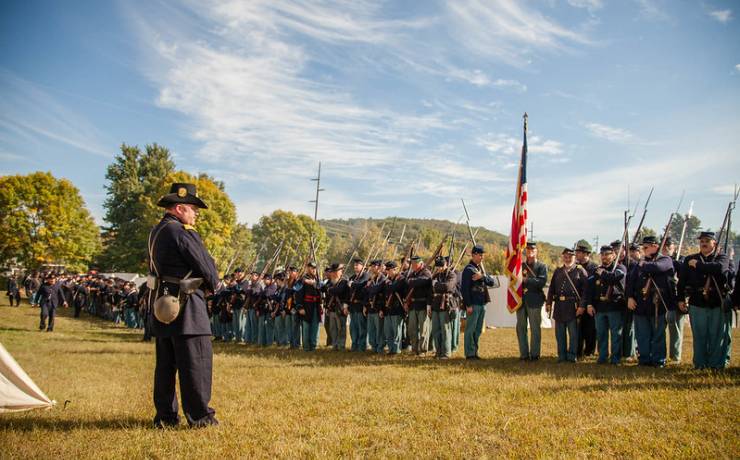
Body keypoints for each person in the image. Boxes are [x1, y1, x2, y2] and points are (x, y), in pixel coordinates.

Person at [149, 182, 219, 428]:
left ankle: (166, 417)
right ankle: (200, 417)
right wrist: (214, 282)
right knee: (195, 364)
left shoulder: (158, 231)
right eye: (193, 209)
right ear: (179, 208)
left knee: (166, 367)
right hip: (187, 304)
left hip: (164, 300)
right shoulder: (181, 231)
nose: (196, 214)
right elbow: (207, 267)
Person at [676, 232, 731, 369]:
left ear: (714, 243)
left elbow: (720, 269)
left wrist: (699, 265)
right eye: (701, 241)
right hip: (697, 301)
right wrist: (681, 299)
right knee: (699, 336)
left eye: (707, 240)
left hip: (716, 301)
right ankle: (700, 364)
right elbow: (682, 281)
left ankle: (715, 365)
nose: (704, 243)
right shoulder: (690, 259)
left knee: (716, 335)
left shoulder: (722, 258)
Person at [628, 236, 673, 367]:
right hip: (641, 304)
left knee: (658, 335)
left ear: (655, 246)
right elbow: (630, 281)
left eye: (645, 247)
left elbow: (658, 268)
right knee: (642, 335)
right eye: (643, 247)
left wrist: (644, 264)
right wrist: (630, 297)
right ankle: (644, 359)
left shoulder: (665, 259)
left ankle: (658, 360)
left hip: (657, 303)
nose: (643, 249)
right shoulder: (640, 263)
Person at [585, 245, 626, 365]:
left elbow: (615, 278)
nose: (604, 257)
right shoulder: (596, 270)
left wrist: (603, 273)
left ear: (613, 256)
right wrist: (589, 304)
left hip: (615, 306)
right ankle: (602, 357)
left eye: (607, 254)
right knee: (601, 334)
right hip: (600, 307)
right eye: (602, 254)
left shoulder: (620, 268)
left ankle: (615, 358)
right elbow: (589, 289)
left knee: (615, 334)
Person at [546, 248, 588, 363]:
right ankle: (561, 355)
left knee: (573, 334)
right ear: (562, 257)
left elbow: (585, 291)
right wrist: (549, 302)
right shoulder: (558, 271)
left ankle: (572, 356)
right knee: (560, 334)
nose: (567, 259)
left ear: (574, 258)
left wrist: (582, 306)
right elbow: (551, 289)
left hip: (573, 306)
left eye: (570, 257)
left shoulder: (580, 271)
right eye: (565, 257)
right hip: (559, 306)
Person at [461, 245, 495, 360]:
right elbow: (464, 289)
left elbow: (491, 282)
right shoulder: (468, 269)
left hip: (481, 303)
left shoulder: (480, 269)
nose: (482, 257)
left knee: (478, 329)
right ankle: (469, 353)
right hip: (473, 303)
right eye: (480, 255)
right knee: (470, 329)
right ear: (474, 255)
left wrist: (482, 276)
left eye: (482, 255)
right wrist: (468, 305)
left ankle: (474, 351)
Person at [517, 242, 548, 361]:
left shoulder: (541, 266)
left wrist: (527, 280)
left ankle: (535, 354)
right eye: (528, 249)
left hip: (534, 300)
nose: (530, 252)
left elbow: (541, 282)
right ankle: (524, 354)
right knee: (521, 328)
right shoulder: (520, 266)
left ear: (536, 252)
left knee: (535, 329)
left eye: (532, 250)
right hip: (520, 300)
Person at [405, 255, 433, 355]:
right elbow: (407, 283)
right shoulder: (413, 273)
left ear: (421, 263)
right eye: (412, 263)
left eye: (414, 263)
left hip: (423, 304)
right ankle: (414, 349)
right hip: (413, 304)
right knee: (412, 329)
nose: (412, 265)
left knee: (423, 330)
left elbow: (422, 282)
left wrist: (412, 281)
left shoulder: (426, 273)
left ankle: (423, 350)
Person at [574, 241, 598, 359]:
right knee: (578, 328)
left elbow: (593, 286)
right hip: (577, 302)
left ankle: (589, 351)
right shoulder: (575, 266)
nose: (576, 254)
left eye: (578, 252)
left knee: (590, 329)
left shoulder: (594, 267)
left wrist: (588, 304)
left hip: (590, 302)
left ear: (585, 253)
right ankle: (577, 350)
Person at [431, 256, 457, 359]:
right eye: (438, 266)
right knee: (436, 330)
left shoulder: (451, 274)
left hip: (445, 304)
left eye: (441, 266)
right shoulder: (436, 275)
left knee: (445, 329)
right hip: (436, 304)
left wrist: (436, 284)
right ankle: (438, 351)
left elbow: (447, 287)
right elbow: (431, 288)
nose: (439, 268)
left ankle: (446, 353)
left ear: (446, 265)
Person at [296, 262, 322, 351]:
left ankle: (313, 346)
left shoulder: (317, 279)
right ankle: (306, 347)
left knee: (315, 327)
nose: (314, 269)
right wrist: (300, 307)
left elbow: (322, 288)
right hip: (306, 307)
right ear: (307, 268)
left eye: (315, 268)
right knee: (306, 328)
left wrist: (316, 283)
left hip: (316, 307)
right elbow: (298, 294)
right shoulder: (302, 280)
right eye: (311, 268)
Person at [382, 261, 406, 355]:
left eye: (389, 269)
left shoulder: (401, 279)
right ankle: (391, 349)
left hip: (397, 309)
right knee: (388, 331)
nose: (387, 271)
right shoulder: (388, 280)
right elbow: (386, 291)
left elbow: (394, 288)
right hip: (388, 309)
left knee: (397, 332)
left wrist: (391, 285)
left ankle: (396, 350)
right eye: (387, 270)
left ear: (395, 269)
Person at [325, 263, 350, 350]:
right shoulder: (330, 282)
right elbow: (326, 290)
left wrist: (331, 290)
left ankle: (341, 345)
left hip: (340, 308)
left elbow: (339, 291)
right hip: (332, 308)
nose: (334, 273)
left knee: (341, 328)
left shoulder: (344, 282)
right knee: (333, 329)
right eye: (333, 271)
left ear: (340, 272)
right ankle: (335, 345)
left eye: (336, 271)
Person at [348, 259, 370, 352]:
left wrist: (352, 284)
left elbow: (361, 285)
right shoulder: (352, 277)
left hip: (361, 305)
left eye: (357, 265)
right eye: (355, 265)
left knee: (362, 328)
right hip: (353, 306)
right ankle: (354, 345)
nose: (355, 267)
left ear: (362, 266)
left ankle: (362, 346)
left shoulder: (366, 276)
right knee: (353, 328)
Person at [365, 260, 387, 353]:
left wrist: (382, 309)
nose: (372, 268)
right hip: (370, 308)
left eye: (374, 266)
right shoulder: (372, 279)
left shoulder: (383, 279)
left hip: (378, 307)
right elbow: (366, 292)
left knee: (379, 330)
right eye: (372, 266)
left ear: (379, 267)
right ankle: (374, 347)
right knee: (371, 329)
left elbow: (376, 290)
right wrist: (365, 306)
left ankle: (380, 348)